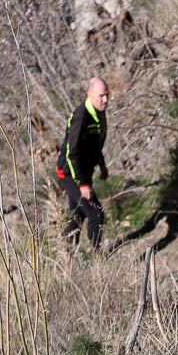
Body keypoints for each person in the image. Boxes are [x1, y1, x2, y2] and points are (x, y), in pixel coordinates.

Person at [55, 76, 110, 248]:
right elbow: (72, 154)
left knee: (77, 214)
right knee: (96, 213)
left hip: (84, 171)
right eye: (101, 96)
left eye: (107, 95)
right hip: (70, 172)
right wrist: (83, 184)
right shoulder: (81, 117)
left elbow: (95, 144)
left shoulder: (99, 112)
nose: (105, 100)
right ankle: (98, 257)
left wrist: (102, 164)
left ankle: (68, 254)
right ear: (89, 94)